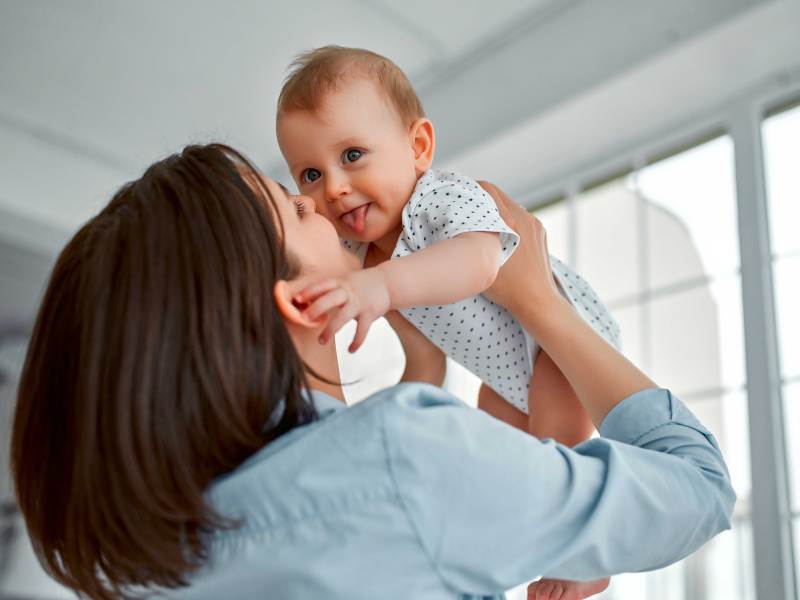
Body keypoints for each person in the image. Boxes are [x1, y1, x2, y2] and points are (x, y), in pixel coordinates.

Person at [11, 144, 734, 600]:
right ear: (299, 300)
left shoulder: (155, 558)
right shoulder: (409, 458)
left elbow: (370, 521)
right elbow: (699, 490)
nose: (331, 202)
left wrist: (423, 367)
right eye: (300, 206)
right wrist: (543, 305)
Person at [276, 46, 621, 453]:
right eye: (311, 174)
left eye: (352, 155)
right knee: (498, 454)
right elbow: (421, 357)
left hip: (558, 342)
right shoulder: (354, 248)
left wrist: (383, 285)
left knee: (552, 448)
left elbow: (481, 260)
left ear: (417, 147)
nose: (333, 188)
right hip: (499, 378)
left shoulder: (439, 197)